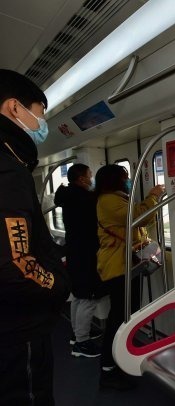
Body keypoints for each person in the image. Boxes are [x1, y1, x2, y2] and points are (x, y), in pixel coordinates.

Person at [0, 69, 70, 404]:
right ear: (15, 108)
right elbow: (16, 265)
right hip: (18, 331)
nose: (41, 125)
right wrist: (58, 284)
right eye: (39, 114)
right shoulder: (8, 171)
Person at [95, 164, 164, 390]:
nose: (128, 180)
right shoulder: (108, 201)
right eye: (125, 177)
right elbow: (137, 216)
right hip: (118, 268)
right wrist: (153, 197)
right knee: (119, 318)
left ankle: (120, 359)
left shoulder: (119, 197)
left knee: (126, 315)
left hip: (127, 266)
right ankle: (108, 369)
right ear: (115, 180)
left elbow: (141, 220)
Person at [54, 163, 104, 358]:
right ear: (82, 179)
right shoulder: (84, 199)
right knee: (89, 297)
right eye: (89, 175)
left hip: (75, 251)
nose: (91, 179)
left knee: (78, 295)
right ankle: (81, 343)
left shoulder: (69, 196)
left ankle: (77, 334)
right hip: (86, 253)